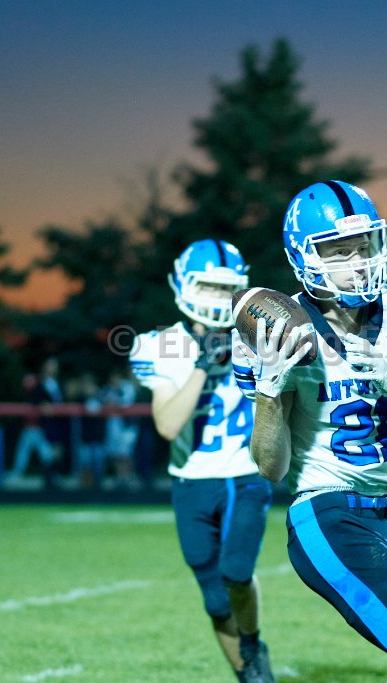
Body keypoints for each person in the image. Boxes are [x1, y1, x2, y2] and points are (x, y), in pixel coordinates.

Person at [236, 180, 387, 683]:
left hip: (382, 520)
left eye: (364, 245)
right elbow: (270, 468)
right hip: (325, 514)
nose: (359, 262)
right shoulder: (282, 332)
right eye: (339, 251)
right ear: (304, 257)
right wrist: (268, 390)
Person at [129, 238, 275, 683]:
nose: (216, 297)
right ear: (184, 285)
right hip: (190, 480)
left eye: (225, 288)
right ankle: (248, 673)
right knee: (214, 598)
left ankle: (251, 645)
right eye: (208, 286)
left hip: (244, 473)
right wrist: (202, 363)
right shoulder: (159, 345)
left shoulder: (258, 338)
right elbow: (168, 425)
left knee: (237, 572)